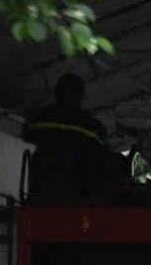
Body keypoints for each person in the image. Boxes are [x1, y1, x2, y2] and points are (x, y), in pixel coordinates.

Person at [24, 74, 115, 205]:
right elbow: (103, 157)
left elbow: (28, 136)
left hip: (44, 190)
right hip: (78, 194)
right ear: (81, 96)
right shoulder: (93, 126)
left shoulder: (40, 117)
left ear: (56, 93)